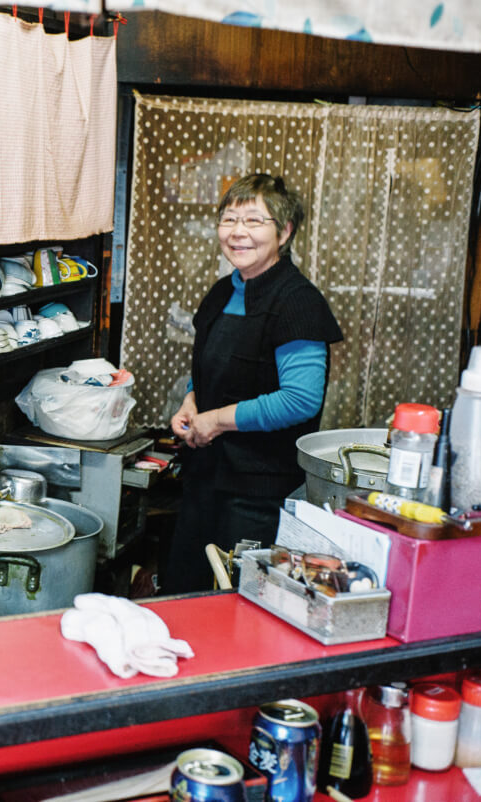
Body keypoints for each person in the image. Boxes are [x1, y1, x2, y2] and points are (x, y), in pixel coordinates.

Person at [163, 174, 343, 594]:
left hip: (257, 492)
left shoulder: (297, 301)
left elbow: (300, 399)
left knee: (233, 600)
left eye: (254, 221)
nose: (238, 232)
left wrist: (218, 421)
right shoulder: (222, 291)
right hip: (204, 476)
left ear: (284, 231)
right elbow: (208, 366)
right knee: (185, 591)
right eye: (229, 219)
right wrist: (191, 403)